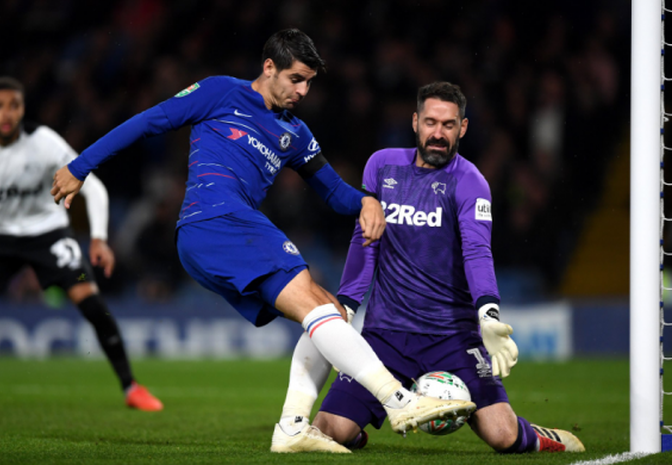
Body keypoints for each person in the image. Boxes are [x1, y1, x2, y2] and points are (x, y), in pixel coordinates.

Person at [51, 29, 476, 453]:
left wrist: (367, 201)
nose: (303, 90)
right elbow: (148, 122)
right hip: (215, 221)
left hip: (228, 230)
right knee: (318, 306)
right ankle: (398, 400)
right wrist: (81, 165)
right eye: (295, 79)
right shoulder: (220, 93)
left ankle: (292, 427)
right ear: (268, 67)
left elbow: (333, 191)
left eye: (309, 82)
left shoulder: (296, 133)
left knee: (330, 312)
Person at [309, 81, 585, 453]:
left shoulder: (470, 181)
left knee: (503, 436)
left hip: (452, 337)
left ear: (463, 128)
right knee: (328, 432)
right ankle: (355, 426)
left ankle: (539, 436)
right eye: (430, 122)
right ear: (415, 122)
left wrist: (487, 315)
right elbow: (365, 241)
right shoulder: (382, 165)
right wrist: (347, 305)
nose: (438, 133)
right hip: (385, 336)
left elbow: (477, 251)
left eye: (448, 125)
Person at [0, 76, 163, 412]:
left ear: (22, 109)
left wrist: (100, 239)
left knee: (92, 302)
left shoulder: (43, 142)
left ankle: (131, 387)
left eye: (13, 105)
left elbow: (92, 185)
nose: (6, 113)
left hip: (48, 235)